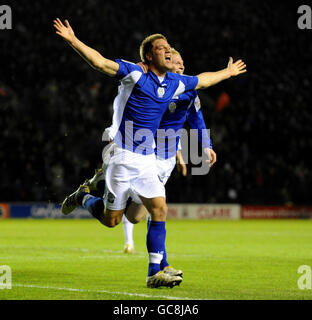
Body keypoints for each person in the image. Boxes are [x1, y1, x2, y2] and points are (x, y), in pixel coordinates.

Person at [53, 18, 246, 288]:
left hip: (147, 159)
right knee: (112, 220)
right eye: (161, 47)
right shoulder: (135, 74)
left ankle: (155, 271)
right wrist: (73, 40)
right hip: (121, 156)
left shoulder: (176, 83)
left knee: (159, 209)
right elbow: (101, 62)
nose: (168, 50)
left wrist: (227, 73)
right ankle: (84, 196)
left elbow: (203, 81)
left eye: (169, 47)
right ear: (148, 55)